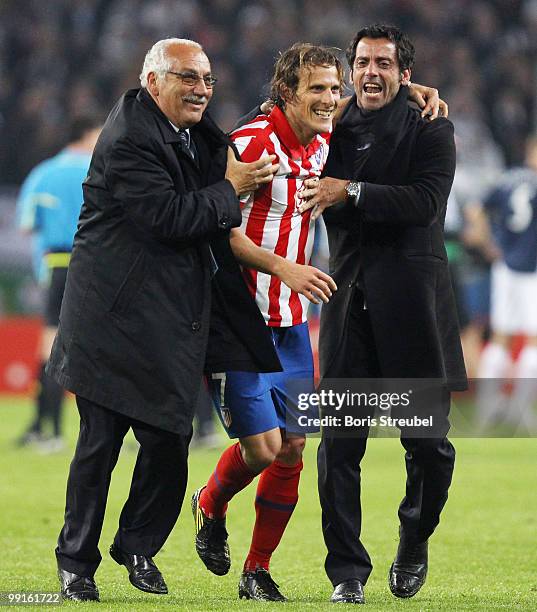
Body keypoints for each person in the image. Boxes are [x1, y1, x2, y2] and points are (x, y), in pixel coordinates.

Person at [192, 42, 445, 602]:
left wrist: (415, 93)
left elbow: (375, 118)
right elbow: (219, 226)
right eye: (319, 89)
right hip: (241, 318)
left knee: (294, 449)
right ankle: (209, 502)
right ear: (287, 93)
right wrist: (285, 266)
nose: (332, 99)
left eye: (336, 89)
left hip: (290, 321)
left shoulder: (329, 143)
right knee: (262, 448)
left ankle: (257, 570)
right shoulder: (250, 144)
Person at [46, 38, 280, 602]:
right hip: (112, 320)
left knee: (169, 447)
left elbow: (259, 123)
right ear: (154, 81)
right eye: (187, 78)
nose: (201, 90)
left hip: (169, 323)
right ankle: (76, 563)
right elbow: (167, 217)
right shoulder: (129, 139)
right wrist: (233, 189)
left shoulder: (191, 131)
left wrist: (381, 99)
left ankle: (136, 546)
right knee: (98, 448)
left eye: (207, 79)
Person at [299, 24, 467, 604]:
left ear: (405, 74)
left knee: (428, 448)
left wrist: (352, 192)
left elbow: (426, 203)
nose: (372, 71)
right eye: (363, 62)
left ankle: (413, 540)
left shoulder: (431, 126)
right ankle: (347, 571)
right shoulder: (329, 127)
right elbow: (272, 111)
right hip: (347, 310)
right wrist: (337, 103)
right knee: (338, 449)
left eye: (384, 64)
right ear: (350, 70)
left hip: (414, 313)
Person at [15, 113, 102, 453]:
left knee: (51, 345)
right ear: (86, 134)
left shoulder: (42, 174)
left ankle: (44, 429)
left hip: (56, 264)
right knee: (102, 348)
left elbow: (25, 225)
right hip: (92, 264)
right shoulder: (99, 169)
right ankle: (108, 435)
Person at [477, 136, 537, 431]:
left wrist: (489, 243)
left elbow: (477, 209)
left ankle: (486, 410)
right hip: (532, 269)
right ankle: (520, 410)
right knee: (533, 340)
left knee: (501, 336)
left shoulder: (509, 178)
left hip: (504, 265)